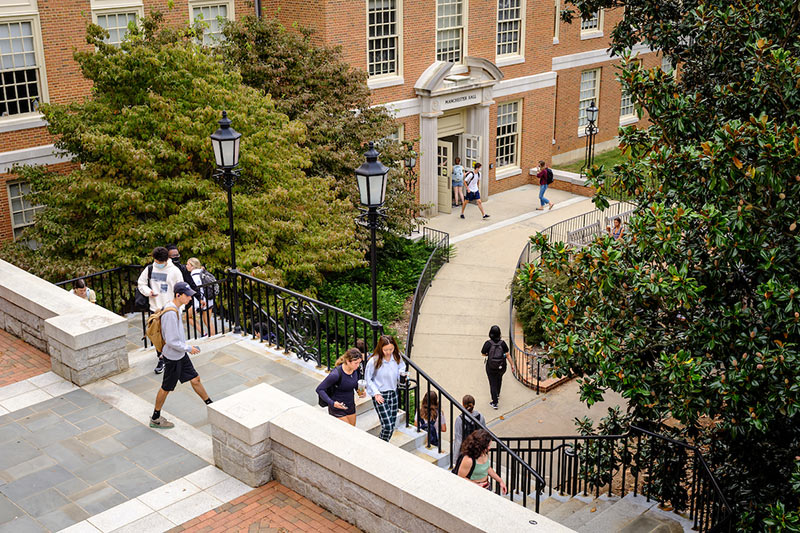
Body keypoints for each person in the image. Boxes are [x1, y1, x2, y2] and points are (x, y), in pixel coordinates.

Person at [149, 282, 212, 429]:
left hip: (180, 355)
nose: (190, 298)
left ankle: (211, 405)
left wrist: (186, 349)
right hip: (173, 357)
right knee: (166, 388)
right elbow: (171, 341)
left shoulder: (174, 307)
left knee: (195, 379)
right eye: (188, 295)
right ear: (178, 295)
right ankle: (155, 418)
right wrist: (189, 348)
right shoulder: (171, 313)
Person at [137, 247, 183, 375]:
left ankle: (172, 359)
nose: (158, 264)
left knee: (171, 336)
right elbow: (141, 283)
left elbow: (181, 290)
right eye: (157, 261)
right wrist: (148, 292)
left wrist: (180, 309)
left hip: (171, 309)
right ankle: (162, 358)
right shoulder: (150, 269)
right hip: (155, 309)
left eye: (160, 262)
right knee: (157, 335)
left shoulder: (174, 271)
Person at [365, 335, 406, 441]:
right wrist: (376, 393)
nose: (388, 352)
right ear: (380, 348)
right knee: (387, 426)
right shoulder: (374, 361)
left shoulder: (396, 357)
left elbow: (402, 367)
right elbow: (368, 379)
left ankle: (383, 445)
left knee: (391, 425)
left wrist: (402, 376)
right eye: (386, 350)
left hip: (393, 393)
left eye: (391, 349)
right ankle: (380, 445)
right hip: (380, 395)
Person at [315, 348, 365, 426]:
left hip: (350, 405)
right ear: (348, 361)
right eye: (356, 363)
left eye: (359, 363)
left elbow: (355, 384)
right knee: (347, 431)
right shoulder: (335, 374)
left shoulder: (356, 370)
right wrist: (332, 403)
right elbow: (320, 389)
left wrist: (360, 392)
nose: (358, 365)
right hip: (337, 408)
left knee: (352, 430)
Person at [454, 429, 507, 494]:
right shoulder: (468, 460)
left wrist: (500, 481)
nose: (489, 448)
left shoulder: (484, 453)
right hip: (473, 490)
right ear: (481, 446)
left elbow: (487, 468)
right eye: (488, 445)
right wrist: (476, 485)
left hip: (486, 487)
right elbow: (461, 477)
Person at [482, 325, 510, 410]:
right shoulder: (503, 343)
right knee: (499, 378)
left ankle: (495, 402)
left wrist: (488, 354)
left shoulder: (488, 343)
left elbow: (483, 353)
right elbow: (507, 353)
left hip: (491, 367)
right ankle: (497, 394)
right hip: (502, 366)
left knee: (492, 383)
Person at [186, 257, 216, 336]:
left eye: (188, 264)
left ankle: (204, 333)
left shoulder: (194, 277)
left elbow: (198, 291)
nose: (186, 266)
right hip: (209, 299)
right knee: (207, 321)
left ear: (193, 266)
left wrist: (196, 307)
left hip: (201, 301)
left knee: (188, 317)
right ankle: (213, 336)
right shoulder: (202, 273)